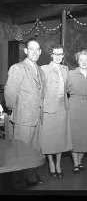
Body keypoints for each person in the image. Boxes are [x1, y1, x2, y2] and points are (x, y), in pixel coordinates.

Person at [4, 38, 45, 187]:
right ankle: (18, 181)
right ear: (26, 51)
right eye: (31, 49)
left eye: (37, 49)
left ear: (40, 52)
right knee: (20, 151)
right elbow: (10, 93)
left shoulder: (41, 71)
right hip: (23, 118)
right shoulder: (18, 68)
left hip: (37, 118)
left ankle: (31, 178)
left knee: (34, 150)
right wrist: (15, 110)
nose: (34, 52)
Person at [40, 45, 72, 178]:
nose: (58, 56)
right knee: (48, 139)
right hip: (48, 108)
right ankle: (51, 163)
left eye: (61, 54)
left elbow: (68, 89)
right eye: (55, 54)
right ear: (51, 55)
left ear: (63, 55)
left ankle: (58, 164)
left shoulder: (65, 69)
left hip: (62, 107)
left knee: (60, 138)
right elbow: (40, 89)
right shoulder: (44, 69)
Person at [66, 49, 87, 174]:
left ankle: (80, 160)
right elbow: (63, 91)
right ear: (77, 61)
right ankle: (76, 163)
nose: (84, 62)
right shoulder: (70, 73)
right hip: (74, 106)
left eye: (86, 60)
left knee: (86, 135)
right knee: (75, 135)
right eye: (81, 60)